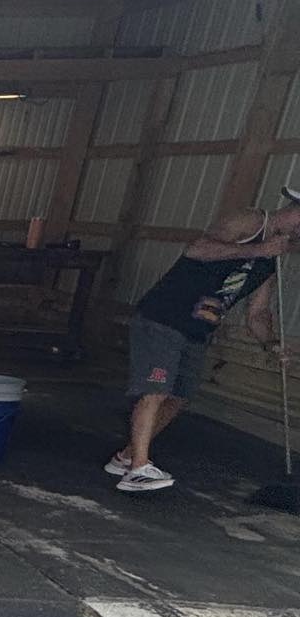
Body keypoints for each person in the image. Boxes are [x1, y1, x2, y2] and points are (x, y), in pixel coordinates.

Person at [108, 191, 297, 492]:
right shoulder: (250, 221)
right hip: (165, 316)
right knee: (156, 389)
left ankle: (126, 456)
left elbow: (258, 314)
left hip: (197, 330)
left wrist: (271, 344)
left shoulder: (270, 262)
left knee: (178, 396)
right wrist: (258, 249)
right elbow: (198, 249)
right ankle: (138, 469)